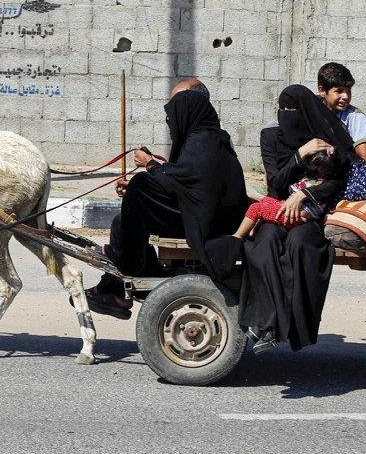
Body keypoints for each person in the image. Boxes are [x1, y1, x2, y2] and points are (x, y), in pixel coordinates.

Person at [83, 79, 249, 319]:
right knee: (128, 211)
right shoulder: (206, 138)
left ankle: (124, 270)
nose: (172, 116)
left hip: (205, 223)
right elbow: (185, 182)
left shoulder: (204, 142)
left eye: (177, 106)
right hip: (199, 213)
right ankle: (116, 285)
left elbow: (185, 183)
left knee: (139, 189)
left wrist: (149, 166)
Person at [239, 85, 357, 353]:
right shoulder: (270, 136)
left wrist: (306, 196)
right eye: (283, 110)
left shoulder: (327, 135)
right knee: (263, 243)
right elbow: (276, 183)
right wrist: (299, 154)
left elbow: (340, 180)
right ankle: (267, 325)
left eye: (293, 110)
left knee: (301, 245)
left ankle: (292, 327)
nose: (287, 115)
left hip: (312, 212)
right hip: (279, 207)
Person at [232, 149, 348, 236]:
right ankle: (252, 231)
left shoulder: (315, 184)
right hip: (297, 213)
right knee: (264, 201)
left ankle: (238, 236)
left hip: (294, 217)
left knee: (255, 208)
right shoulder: (324, 184)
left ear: (320, 169)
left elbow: (293, 189)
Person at [318, 62, 366, 163]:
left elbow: (364, 161)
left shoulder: (355, 116)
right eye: (339, 91)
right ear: (322, 91)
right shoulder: (313, 110)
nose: (346, 96)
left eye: (348, 91)